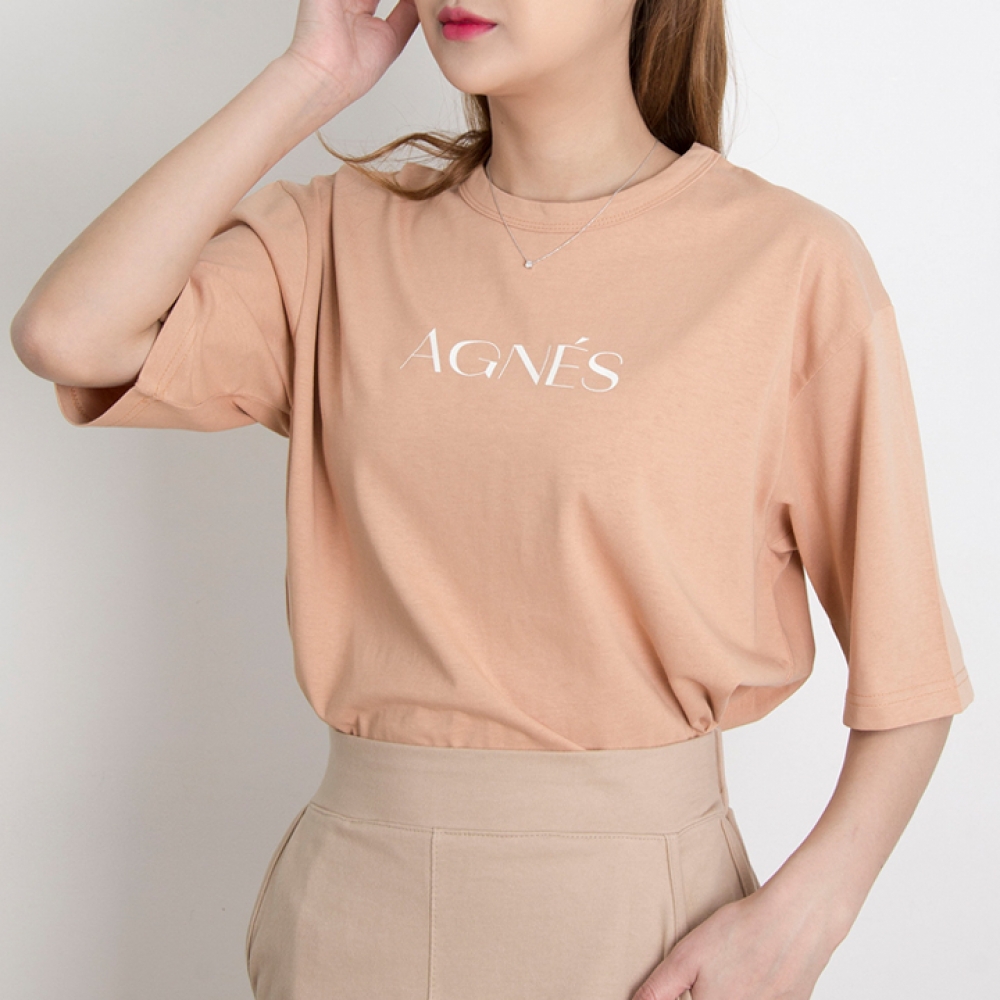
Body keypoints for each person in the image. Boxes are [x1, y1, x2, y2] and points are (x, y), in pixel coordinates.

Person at [10, 1, 975, 998]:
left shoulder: (787, 263)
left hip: (640, 927)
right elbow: (68, 334)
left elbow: (909, 675)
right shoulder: (340, 234)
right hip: (352, 911)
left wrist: (808, 913)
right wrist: (310, 77)